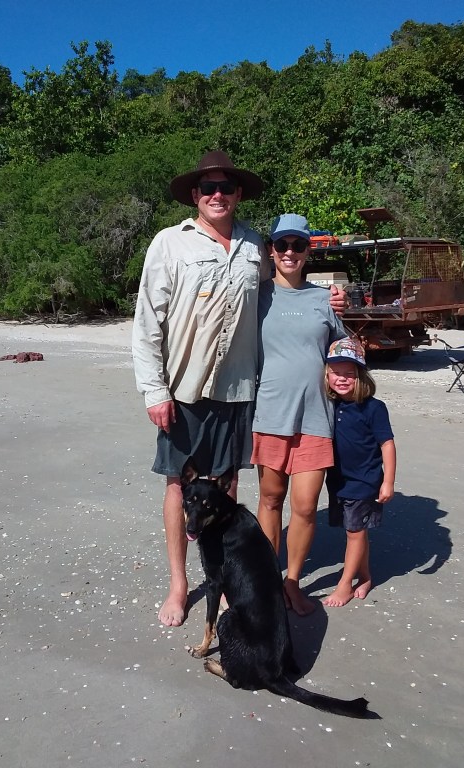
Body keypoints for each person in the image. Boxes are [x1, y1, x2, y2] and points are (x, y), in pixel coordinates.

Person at [132, 151, 346, 627]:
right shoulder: (170, 242)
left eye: (226, 187)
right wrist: (154, 390)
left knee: (227, 487)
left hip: (239, 389)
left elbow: (286, 285)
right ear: (195, 195)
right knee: (179, 484)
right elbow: (147, 322)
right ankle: (179, 585)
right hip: (184, 386)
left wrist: (328, 295)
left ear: (238, 194)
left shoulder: (254, 246)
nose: (217, 195)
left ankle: (228, 579)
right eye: (208, 187)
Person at [252, 213, 347, 616]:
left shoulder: (324, 300)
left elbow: (345, 349)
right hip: (270, 413)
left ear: (309, 251)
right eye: (282, 245)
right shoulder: (255, 296)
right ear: (271, 250)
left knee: (306, 506)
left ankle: (291, 583)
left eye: (298, 245)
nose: (290, 252)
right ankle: (263, 582)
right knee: (271, 499)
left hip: (316, 416)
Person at [322, 338, 397, 606]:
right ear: (327, 376)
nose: (342, 379)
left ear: (361, 376)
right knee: (355, 531)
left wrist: (388, 482)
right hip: (338, 482)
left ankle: (345, 584)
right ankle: (364, 576)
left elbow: (387, 444)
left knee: (354, 533)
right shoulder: (330, 406)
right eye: (336, 373)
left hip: (364, 481)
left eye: (350, 374)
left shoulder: (373, 407)